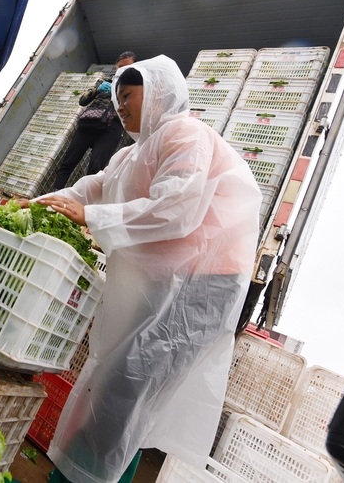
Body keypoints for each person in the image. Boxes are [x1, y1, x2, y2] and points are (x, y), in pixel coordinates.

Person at [33, 55, 261, 483]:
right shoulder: (129, 155)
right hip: (169, 279)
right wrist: (38, 205)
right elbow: (89, 188)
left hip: (202, 283)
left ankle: (81, 479)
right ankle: (85, 475)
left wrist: (92, 218)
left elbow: (176, 207)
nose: (120, 104)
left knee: (127, 386)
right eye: (116, 96)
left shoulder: (186, 133)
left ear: (158, 93)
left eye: (129, 94)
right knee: (120, 385)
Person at [52, 51, 136, 190]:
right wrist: (97, 90)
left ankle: (81, 204)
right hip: (89, 123)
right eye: (120, 66)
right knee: (68, 163)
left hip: (111, 127)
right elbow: (82, 101)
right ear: (115, 66)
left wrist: (119, 93)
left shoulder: (136, 86)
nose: (122, 70)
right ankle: (53, 195)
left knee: (95, 170)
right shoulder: (106, 81)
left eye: (127, 66)